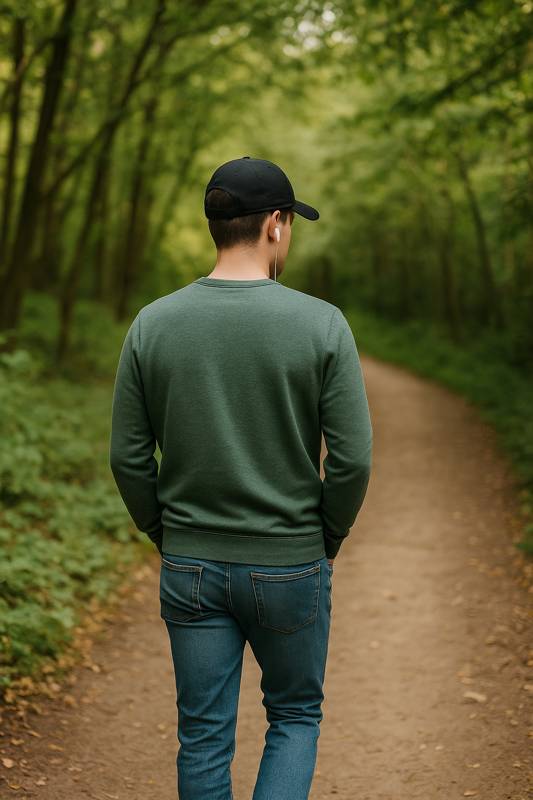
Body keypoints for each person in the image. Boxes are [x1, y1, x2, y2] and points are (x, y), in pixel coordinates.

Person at [109, 155, 373, 800]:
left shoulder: (153, 323)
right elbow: (353, 458)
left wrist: (161, 529)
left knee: (201, 734)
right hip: (291, 562)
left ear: (214, 226)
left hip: (191, 563)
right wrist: (327, 533)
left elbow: (128, 456)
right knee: (294, 717)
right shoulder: (322, 324)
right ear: (277, 225)